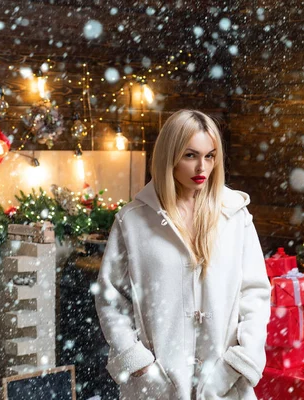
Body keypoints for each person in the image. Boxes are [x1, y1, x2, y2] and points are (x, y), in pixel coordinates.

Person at [95, 109, 271, 399]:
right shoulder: (134, 221)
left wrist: (239, 362)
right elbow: (111, 298)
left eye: (210, 156)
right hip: (156, 386)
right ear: (170, 155)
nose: (202, 167)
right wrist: (139, 364)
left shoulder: (235, 216)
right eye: (190, 155)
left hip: (225, 384)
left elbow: (255, 295)